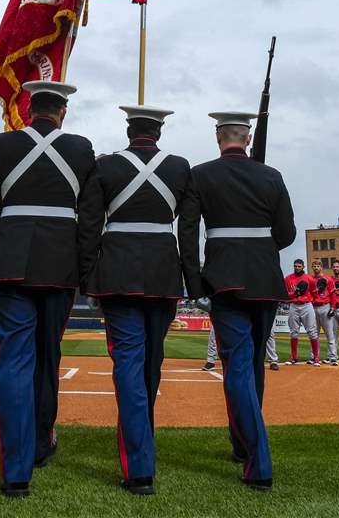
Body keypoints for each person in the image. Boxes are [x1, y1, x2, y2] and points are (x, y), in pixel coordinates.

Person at [0, 81, 95, 498]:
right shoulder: (81, 149)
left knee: (12, 363)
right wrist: (85, 270)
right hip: (60, 268)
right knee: (49, 356)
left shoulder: (0, 145)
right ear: (62, 112)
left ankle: (16, 471)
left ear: (28, 110)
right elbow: (90, 218)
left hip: (10, 264)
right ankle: (43, 441)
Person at [178, 111, 296, 492]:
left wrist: (195, 283)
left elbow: (189, 229)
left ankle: (258, 460)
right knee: (254, 365)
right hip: (264, 278)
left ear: (218, 137)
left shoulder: (200, 174)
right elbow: (287, 233)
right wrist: (259, 250)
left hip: (224, 280)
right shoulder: (271, 175)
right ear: (246, 138)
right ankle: (242, 444)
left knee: (239, 369)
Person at [77, 104, 191, 495]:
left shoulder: (106, 167)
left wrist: (87, 276)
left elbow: (89, 225)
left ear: (129, 131)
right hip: (163, 272)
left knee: (129, 362)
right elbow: (188, 226)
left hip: (118, 272)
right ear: (157, 132)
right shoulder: (179, 167)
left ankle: (139, 463)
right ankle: (143, 440)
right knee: (150, 362)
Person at [284, 259, 320, 366]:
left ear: (303, 267)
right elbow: (285, 295)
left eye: (299, 266)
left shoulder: (309, 279)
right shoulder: (288, 278)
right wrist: (294, 294)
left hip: (306, 305)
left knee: (312, 332)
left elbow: (315, 294)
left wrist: (308, 300)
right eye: (295, 266)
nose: (297, 268)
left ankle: (316, 357)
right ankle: (294, 357)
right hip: (294, 305)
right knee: (293, 332)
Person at [310, 261, 338, 365]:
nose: (316, 267)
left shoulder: (328, 279)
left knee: (329, 333)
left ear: (321, 267)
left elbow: (333, 295)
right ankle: (313, 356)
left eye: (318, 266)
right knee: (314, 333)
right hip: (313, 307)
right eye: (314, 266)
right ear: (312, 267)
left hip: (325, 306)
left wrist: (333, 308)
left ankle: (333, 357)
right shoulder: (310, 279)